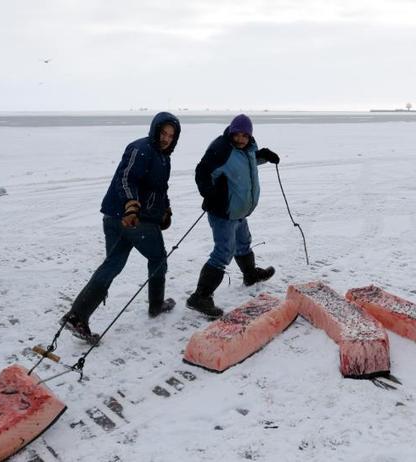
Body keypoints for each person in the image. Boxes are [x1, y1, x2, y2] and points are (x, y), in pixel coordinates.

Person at [61, 112, 181, 343]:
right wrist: (131, 208)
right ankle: (156, 304)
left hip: (119, 216)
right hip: (132, 219)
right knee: (158, 258)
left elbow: (160, 189)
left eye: (171, 135)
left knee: (113, 263)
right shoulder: (141, 149)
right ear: (154, 130)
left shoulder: (162, 156)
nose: (166, 138)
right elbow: (126, 179)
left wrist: (165, 210)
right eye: (163, 133)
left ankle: (77, 316)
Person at [187, 114, 280, 317]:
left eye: (244, 136)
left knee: (244, 242)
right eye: (236, 135)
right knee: (223, 252)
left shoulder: (247, 149)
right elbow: (202, 171)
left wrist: (264, 155)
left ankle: (250, 275)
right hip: (223, 212)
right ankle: (200, 296)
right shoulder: (221, 149)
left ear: (249, 137)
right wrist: (209, 192)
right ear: (231, 132)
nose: (240, 139)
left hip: (238, 212)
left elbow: (246, 162)